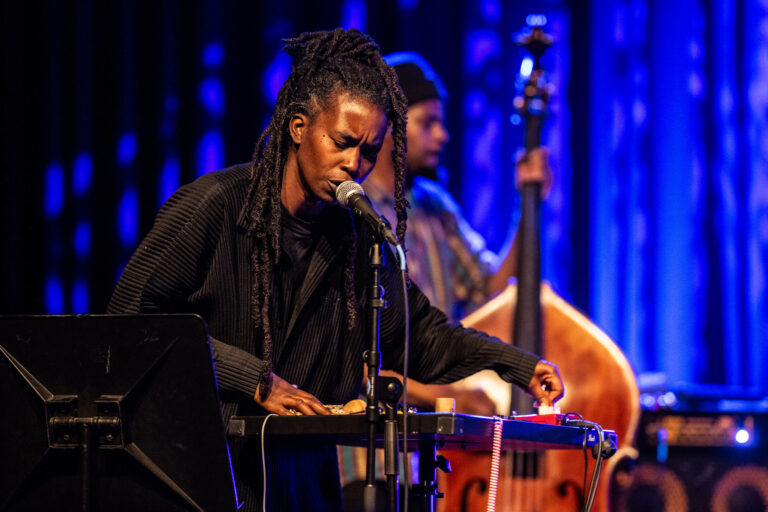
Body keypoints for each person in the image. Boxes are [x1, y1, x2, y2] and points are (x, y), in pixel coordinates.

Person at [107, 29, 563, 512]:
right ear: (298, 127)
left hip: (304, 487)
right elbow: (130, 324)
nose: (354, 164)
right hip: (203, 481)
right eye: (343, 142)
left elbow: (424, 338)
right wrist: (255, 379)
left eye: (369, 150)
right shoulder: (216, 205)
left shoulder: (356, 236)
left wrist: (519, 365)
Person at [362, 52, 552, 416]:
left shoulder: (435, 205)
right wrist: (446, 397)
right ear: (389, 126)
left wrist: (529, 204)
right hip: (373, 429)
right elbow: (352, 364)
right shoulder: (355, 207)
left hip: (436, 429)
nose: (442, 135)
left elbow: (491, 290)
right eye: (427, 123)